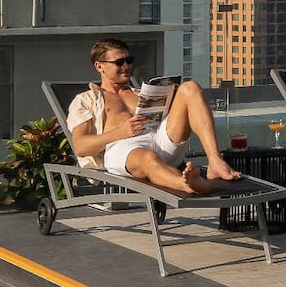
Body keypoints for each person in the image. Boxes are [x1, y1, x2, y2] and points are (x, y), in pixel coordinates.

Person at [65, 38, 240, 195]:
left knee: (190, 87)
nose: (126, 66)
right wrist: (121, 132)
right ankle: (187, 185)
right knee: (148, 157)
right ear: (99, 66)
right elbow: (80, 146)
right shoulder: (87, 99)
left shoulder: (142, 93)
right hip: (123, 148)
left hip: (159, 140)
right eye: (119, 62)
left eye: (129, 60)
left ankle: (215, 161)